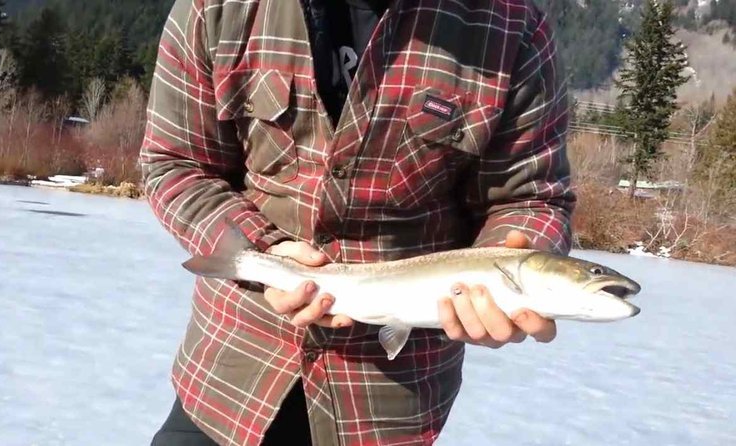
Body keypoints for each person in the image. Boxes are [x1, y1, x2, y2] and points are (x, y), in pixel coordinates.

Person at [141, 0, 575, 444]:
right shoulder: (218, 8)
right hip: (231, 374)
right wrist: (261, 251)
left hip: (389, 401)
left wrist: (505, 275)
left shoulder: (511, 28)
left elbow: (532, 200)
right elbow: (175, 164)